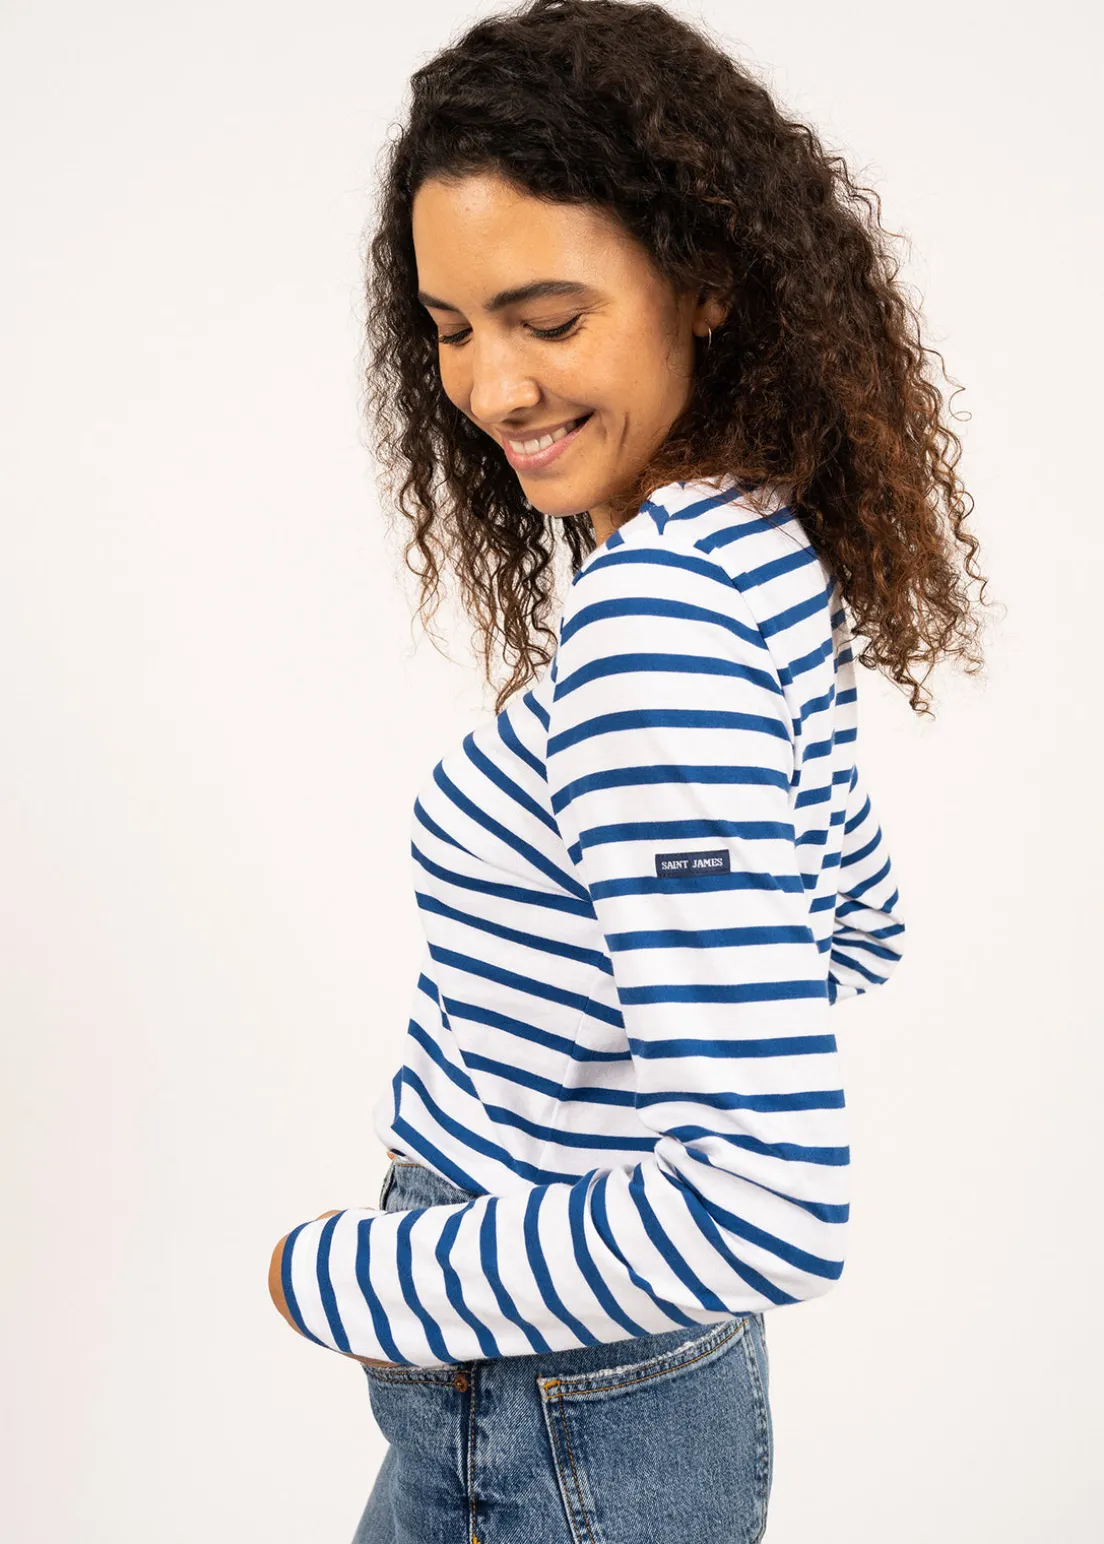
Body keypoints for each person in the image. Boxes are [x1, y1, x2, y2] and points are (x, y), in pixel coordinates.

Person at [267, 2, 988, 1539]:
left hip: (547, 1388)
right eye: (451, 328)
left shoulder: (659, 621)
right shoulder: (746, 542)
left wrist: (342, 1275)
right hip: (598, 1375)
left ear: (706, 280)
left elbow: (769, 1203)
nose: (490, 390)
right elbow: (853, 916)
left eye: (548, 318)